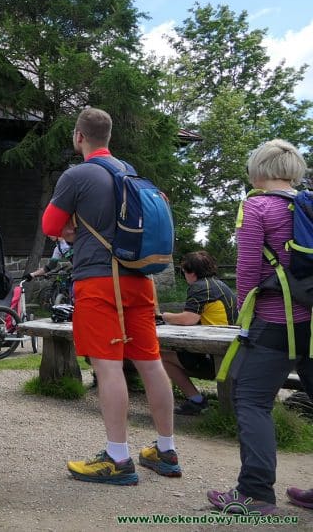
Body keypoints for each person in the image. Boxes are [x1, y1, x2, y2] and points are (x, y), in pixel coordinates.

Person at [43, 107, 178, 484]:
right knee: (150, 363)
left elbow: (51, 225)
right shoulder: (128, 170)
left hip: (100, 281)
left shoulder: (78, 174)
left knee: (108, 366)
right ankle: (165, 450)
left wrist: (72, 230)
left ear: (79, 136)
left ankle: (117, 458)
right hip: (140, 279)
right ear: (110, 136)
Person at [208, 139, 313, 515]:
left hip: (275, 320)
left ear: (259, 170)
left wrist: (242, 314)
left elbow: (248, 270)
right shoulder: (310, 203)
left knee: (251, 401)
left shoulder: (257, 206)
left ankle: (254, 493)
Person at [160, 251, 236, 416]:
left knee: (162, 356)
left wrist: (164, 316)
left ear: (192, 273)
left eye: (184, 271)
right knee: (174, 353)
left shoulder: (200, 287)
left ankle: (196, 400)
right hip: (232, 352)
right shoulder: (219, 284)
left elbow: (188, 319)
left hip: (216, 357)